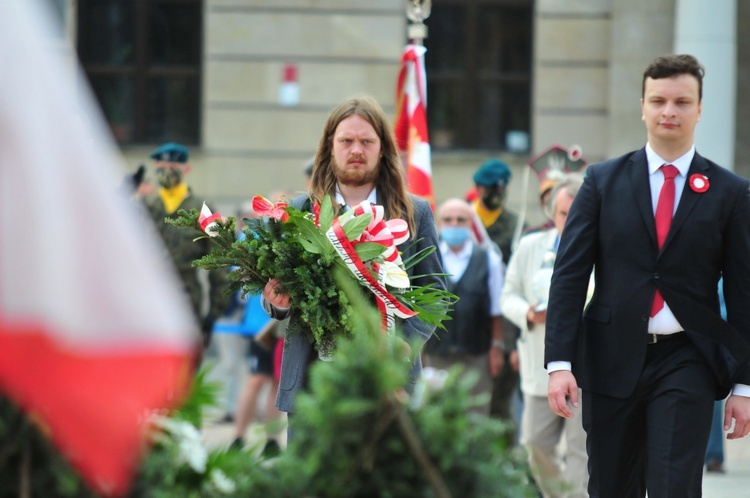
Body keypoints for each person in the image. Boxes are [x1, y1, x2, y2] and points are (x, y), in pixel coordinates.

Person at [545, 54, 750, 497]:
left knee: (674, 486)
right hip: (610, 358)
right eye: (658, 101)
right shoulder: (602, 182)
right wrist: (560, 363)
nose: (669, 111)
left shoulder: (731, 192)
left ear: (699, 109)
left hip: (687, 360)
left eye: (681, 101)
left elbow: (743, 292)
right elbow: (569, 276)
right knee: (611, 486)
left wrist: (745, 384)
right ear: (642, 106)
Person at [261, 95, 446, 422]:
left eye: (366, 141)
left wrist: (405, 342)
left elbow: (436, 294)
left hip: (389, 376)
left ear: (383, 148)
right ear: (329, 147)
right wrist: (277, 301)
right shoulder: (299, 211)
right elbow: (278, 294)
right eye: (346, 141)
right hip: (312, 381)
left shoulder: (414, 212)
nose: (356, 150)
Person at [500, 174, 588, 497]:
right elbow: (507, 296)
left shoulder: (605, 247)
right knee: (534, 443)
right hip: (540, 366)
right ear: (552, 213)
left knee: (582, 450)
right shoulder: (529, 246)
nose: (571, 221)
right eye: (565, 213)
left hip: (587, 369)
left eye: (578, 212)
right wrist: (527, 312)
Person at [142, 142, 229, 351]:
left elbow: (220, 262)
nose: (166, 170)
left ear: (186, 169)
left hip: (185, 299)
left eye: (173, 166)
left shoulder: (204, 210)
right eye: (161, 166)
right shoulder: (144, 208)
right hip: (146, 301)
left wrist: (214, 312)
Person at [424, 198, 505, 417]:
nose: (454, 224)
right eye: (448, 220)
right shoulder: (427, 257)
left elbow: (496, 309)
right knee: (435, 416)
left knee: (475, 416)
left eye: (461, 220)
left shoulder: (488, 259)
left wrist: (496, 348)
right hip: (436, 354)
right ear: (438, 223)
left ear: (470, 223)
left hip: (475, 355)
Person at [470, 158, 524, 427]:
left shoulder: (516, 226)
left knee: (501, 402)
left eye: (500, 191)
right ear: (478, 188)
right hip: (469, 320)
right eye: (491, 190)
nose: (496, 196)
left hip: (503, 322)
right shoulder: (463, 222)